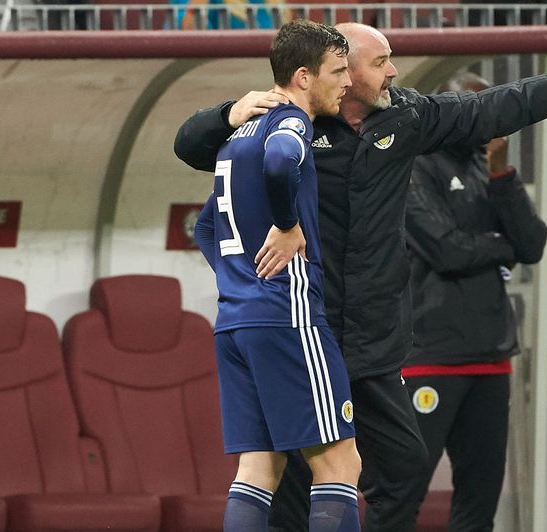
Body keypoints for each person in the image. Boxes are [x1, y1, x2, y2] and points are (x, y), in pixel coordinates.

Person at [175, 21, 547, 531]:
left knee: (401, 466)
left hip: (374, 338)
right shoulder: (291, 120)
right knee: (301, 474)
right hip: (309, 325)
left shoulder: (406, 116)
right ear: (342, 73)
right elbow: (191, 146)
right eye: (380, 62)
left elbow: (484, 109)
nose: (393, 71)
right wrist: (227, 113)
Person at [192, 20, 361, 532]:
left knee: (260, 467)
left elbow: (205, 227)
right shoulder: (289, 121)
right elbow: (282, 161)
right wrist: (288, 226)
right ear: (304, 77)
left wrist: (241, 280)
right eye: (338, 71)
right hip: (288, 317)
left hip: (235, 321)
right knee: (340, 464)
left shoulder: (237, 134)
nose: (348, 81)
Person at [401, 71, 547, 532]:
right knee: (400, 495)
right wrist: (501, 245)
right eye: (478, 113)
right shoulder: (414, 165)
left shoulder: (489, 169)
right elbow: (447, 250)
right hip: (429, 355)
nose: (489, 124)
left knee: (479, 504)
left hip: (490, 356)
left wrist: (502, 172)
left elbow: (532, 244)